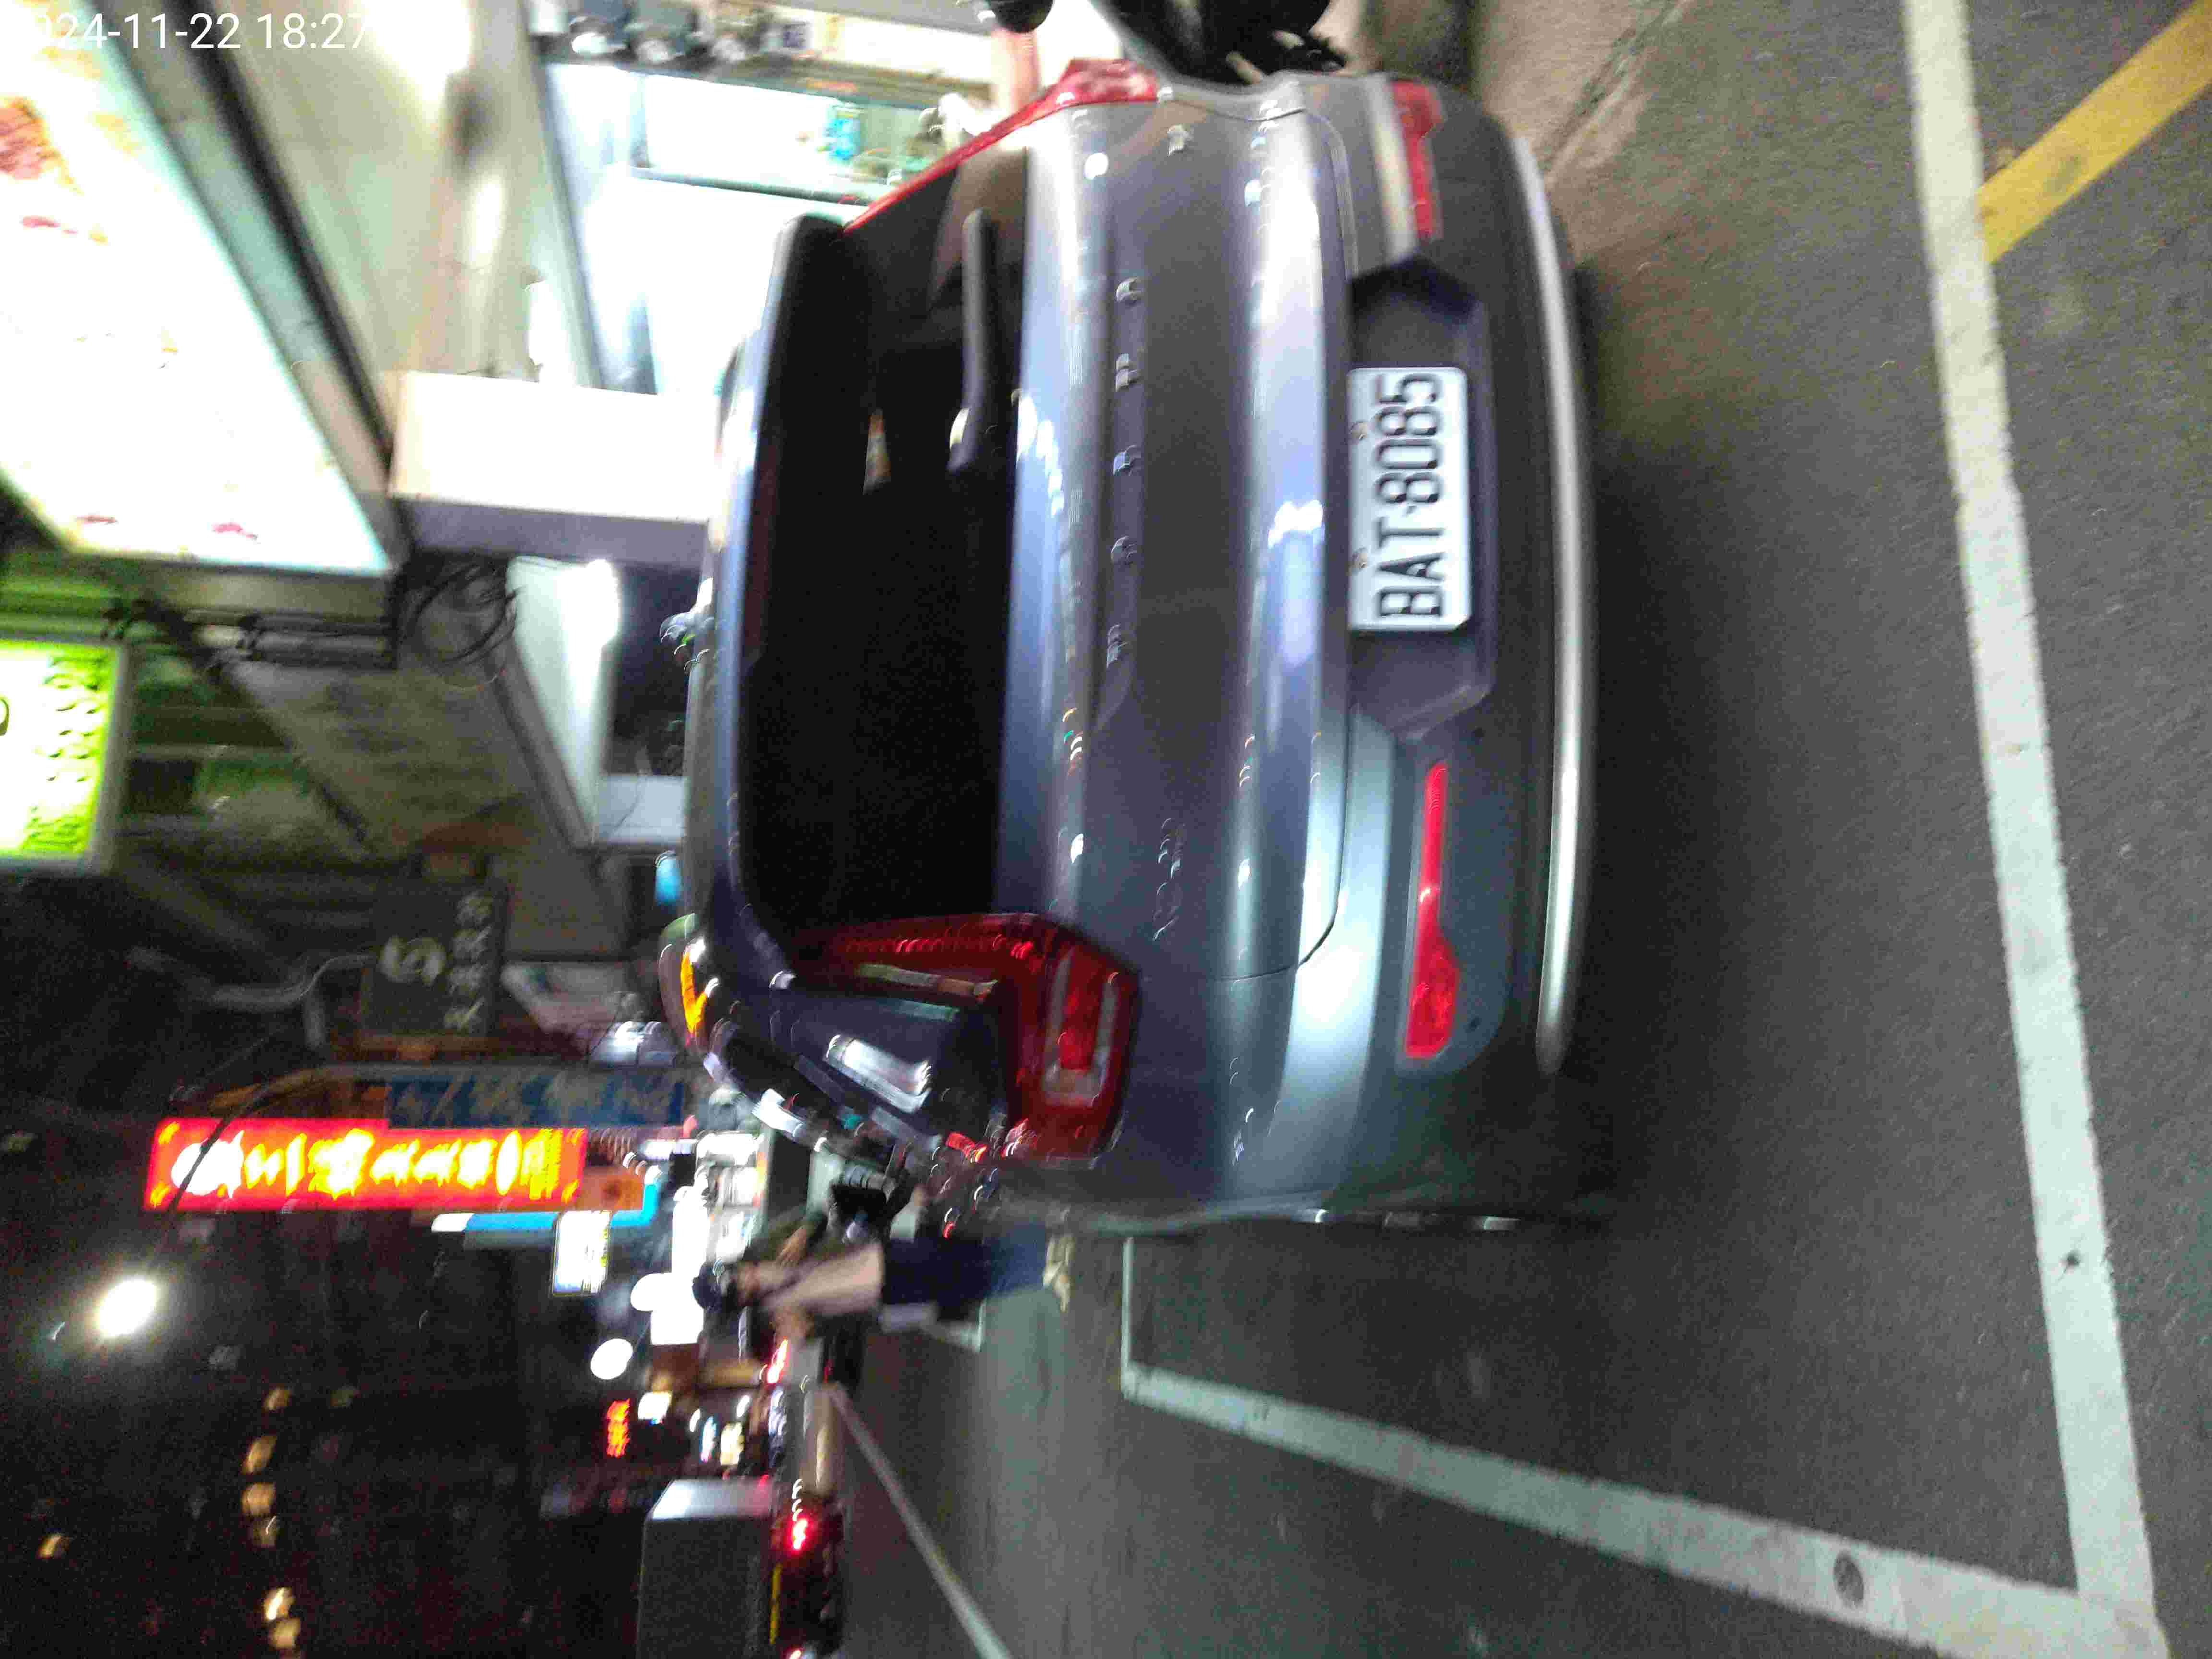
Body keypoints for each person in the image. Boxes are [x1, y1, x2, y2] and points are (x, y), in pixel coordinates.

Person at [701, 1228, 1054, 1340]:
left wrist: (804, 1231)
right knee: (969, 1286)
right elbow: (828, 1331)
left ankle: (1042, 1247)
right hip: (883, 1296)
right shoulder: (773, 1316)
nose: (743, 1284)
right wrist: (809, 1331)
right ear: (739, 1303)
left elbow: (817, 1213)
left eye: (734, 1277)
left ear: (733, 1266)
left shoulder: (765, 1244)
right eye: (736, 1293)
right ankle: (1040, 1274)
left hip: (879, 1254)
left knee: (964, 1252)